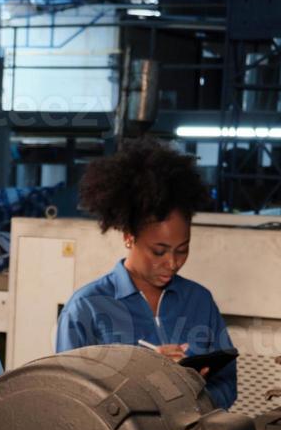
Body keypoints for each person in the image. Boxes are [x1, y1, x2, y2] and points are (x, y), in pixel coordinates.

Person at [56, 138, 237, 409]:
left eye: (182, 250)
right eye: (159, 251)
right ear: (129, 238)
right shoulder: (87, 308)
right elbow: (71, 401)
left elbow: (226, 386)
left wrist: (192, 390)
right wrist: (147, 378)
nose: (173, 263)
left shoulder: (199, 301)